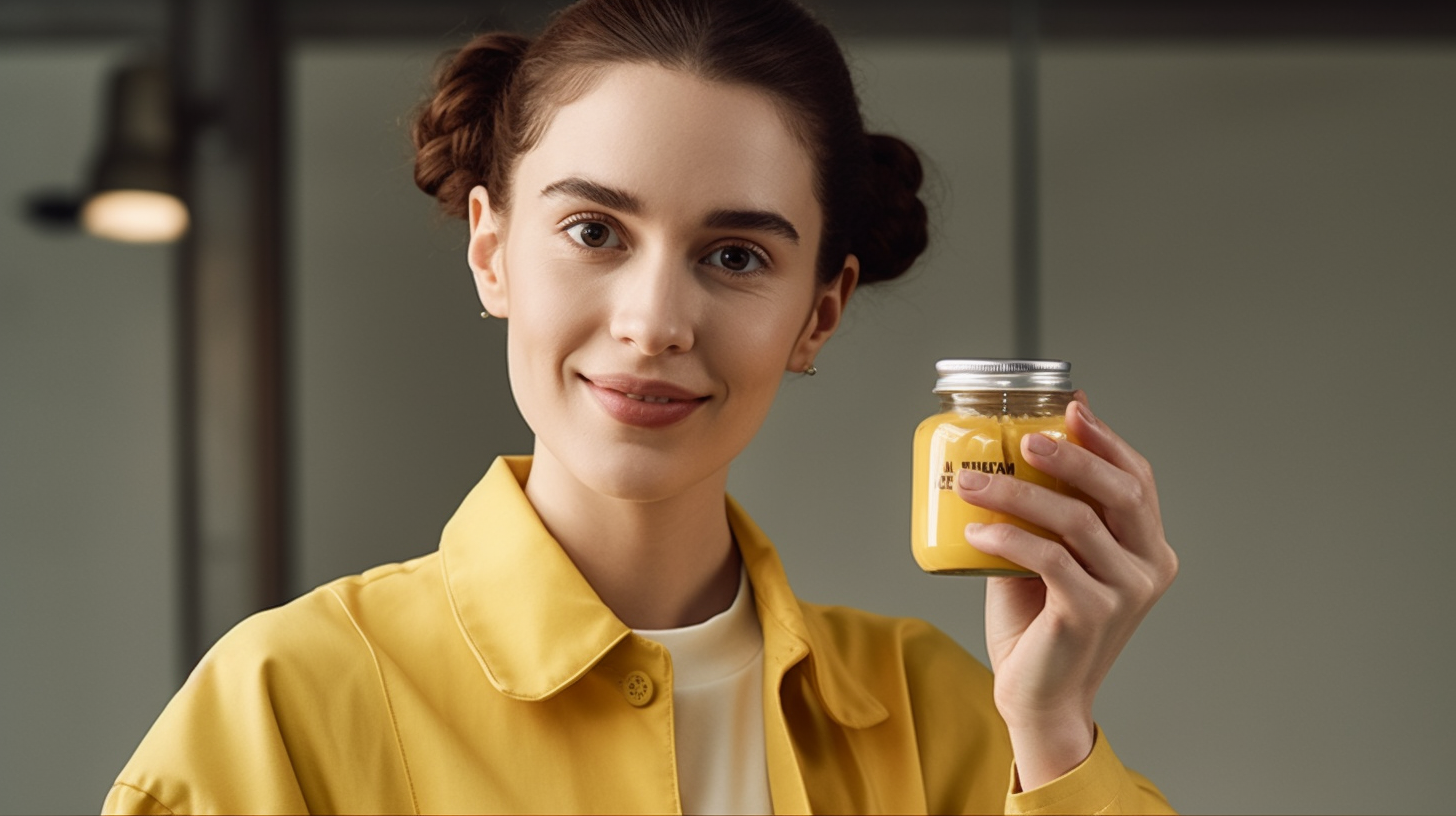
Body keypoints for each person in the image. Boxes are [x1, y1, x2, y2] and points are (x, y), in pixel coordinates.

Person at [103, 0, 1179, 813]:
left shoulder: (949, 719)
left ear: (819, 312)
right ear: (492, 251)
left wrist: (1051, 732)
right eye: (593, 233)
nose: (654, 321)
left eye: (734, 254)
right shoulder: (282, 703)